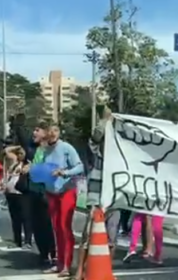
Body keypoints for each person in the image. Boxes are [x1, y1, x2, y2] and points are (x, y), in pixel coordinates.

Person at [75, 107, 122, 280]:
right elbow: (94, 138)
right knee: (88, 235)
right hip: (96, 197)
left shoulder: (121, 156)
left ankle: (106, 270)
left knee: (111, 236)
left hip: (115, 199)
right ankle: (80, 270)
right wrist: (105, 120)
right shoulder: (97, 153)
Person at [43, 124, 85, 277]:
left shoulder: (67, 147)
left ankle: (67, 264)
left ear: (59, 133)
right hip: (51, 192)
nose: (52, 133)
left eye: (55, 130)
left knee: (64, 226)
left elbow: (80, 167)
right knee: (56, 228)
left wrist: (64, 172)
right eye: (50, 131)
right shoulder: (45, 150)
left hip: (66, 191)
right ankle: (59, 263)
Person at [27, 124, 56, 266]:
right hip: (33, 191)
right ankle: (43, 253)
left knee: (48, 224)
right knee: (37, 225)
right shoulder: (35, 150)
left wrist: (32, 168)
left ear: (46, 133)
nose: (34, 133)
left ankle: (53, 252)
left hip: (47, 191)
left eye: (37, 130)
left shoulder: (51, 150)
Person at [4, 146, 32, 249]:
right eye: (18, 153)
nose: (20, 155)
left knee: (25, 217)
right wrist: (18, 147)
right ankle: (17, 240)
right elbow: (7, 151)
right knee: (15, 219)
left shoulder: (28, 164)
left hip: (22, 194)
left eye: (22, 153)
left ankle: (27, 241)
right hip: (11, 194)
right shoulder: (15, 163)